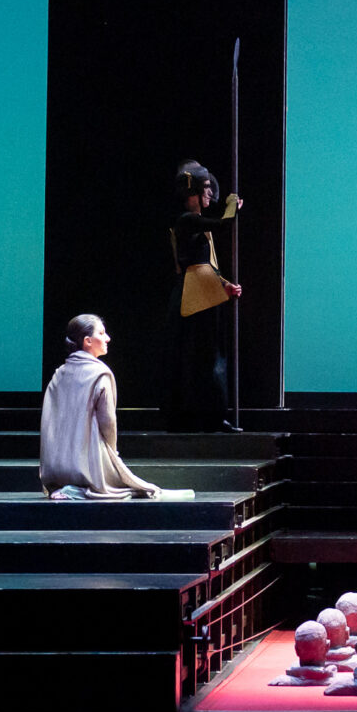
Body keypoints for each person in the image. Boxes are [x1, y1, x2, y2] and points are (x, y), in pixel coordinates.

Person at [38, 314, 159, 500]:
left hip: (55, 469)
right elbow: (108, 422)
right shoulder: (100, 373)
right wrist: (112, 453)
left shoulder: (59, 373)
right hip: (86, 467)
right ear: (87, 341)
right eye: (101, 333)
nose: (107, 338)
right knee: (137, 488)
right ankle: (80, 489)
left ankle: (67, 486)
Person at [170, 162, 242, 432]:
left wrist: (224, 284)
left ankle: (214, 415)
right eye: (206, 188)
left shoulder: (198, 223)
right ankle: (191, 416)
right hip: (193, 293)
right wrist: (232, 204)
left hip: (204, 290)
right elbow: (225, 223)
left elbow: (209, 264)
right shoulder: (187, 220)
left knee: (211, 357)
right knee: (196, 357)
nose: (210, 194)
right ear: (195, 192)